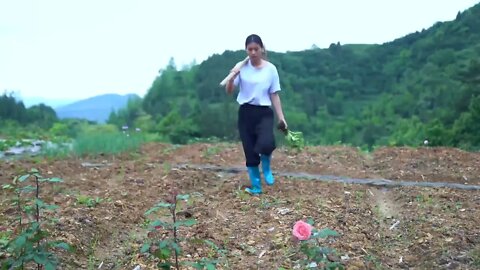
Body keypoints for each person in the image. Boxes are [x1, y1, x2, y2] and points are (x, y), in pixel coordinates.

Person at [225, 34, 288, 195]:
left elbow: (274, 94)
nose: (253, 52)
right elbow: (229, 91)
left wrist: (281, 117)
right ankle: (256, 186)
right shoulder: (242, 67)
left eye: (256, 49)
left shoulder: (270, 69)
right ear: (246, 50)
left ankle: (266, 168)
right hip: (246, 112)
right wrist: (232, 77)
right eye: (250, 49)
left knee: (266, 142)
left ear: (261, 49)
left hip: (264, 112)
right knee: (250, 149)